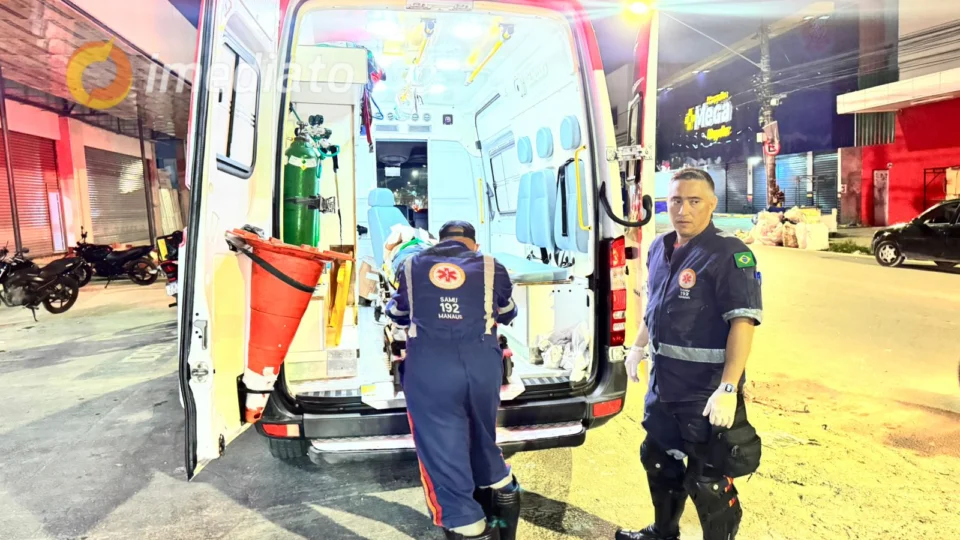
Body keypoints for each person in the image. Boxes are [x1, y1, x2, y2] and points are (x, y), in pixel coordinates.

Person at [615, 169, 764, 540]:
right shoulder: (660, 247)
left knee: (708, 480)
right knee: (658, 459)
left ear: (712, 205)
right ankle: (662, 533)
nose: (684, 209)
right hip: (664, 384)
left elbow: (742, 323)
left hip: (704, 390)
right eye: (676, 200)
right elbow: (655, 304)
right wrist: (638, 345)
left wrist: (728, 388)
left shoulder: (729, 254)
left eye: (694, 201)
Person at [386, 220, 522, 540]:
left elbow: (398, 315)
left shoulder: (411, 265)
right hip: (483, 370)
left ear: (438, 242)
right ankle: (501, 493)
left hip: (432, 372)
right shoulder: (492, 266)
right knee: (483, 442)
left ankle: (468, 524)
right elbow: (508, 312)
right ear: (473, 244)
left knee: (444, 457)